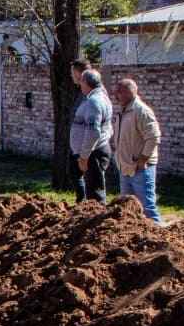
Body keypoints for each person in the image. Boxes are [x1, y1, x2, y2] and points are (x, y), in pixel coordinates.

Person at [113, 78, 163, 224]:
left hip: (140, 169)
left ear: (130, 92)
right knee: (127, 208)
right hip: (125, 167)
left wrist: (143, 160)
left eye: (119, 92)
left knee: (147, 209)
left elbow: (153, 137)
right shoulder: (124, 111)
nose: (116, 95)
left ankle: (158, 234)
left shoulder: (141, 110)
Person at [69, 68, 114, 204]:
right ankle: (84, 206)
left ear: (86, 82)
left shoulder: (94, 101)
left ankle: (97, 216)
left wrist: (84, 156)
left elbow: (93, 132)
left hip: (93, 153)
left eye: (81, 81)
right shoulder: (101, 97)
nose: (80, 85)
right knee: (92, 190)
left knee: (95, 195)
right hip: (94, 150)